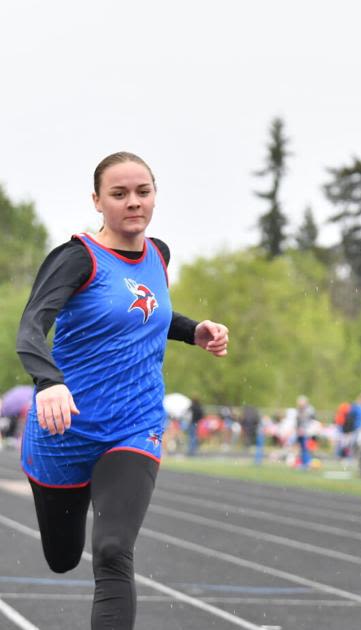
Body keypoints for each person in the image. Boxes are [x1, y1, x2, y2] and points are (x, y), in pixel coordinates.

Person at [14, 152, 229, 629]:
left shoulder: (160, 254)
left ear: (154, 195)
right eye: (119, 194)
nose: (134, 203)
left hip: (134, 426)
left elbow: (146, 311)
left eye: (143, 192)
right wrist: (49, 383)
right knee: (63, 557)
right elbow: (31, 327)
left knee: (112, 552)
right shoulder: (76, 258)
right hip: (63, 428)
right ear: (97, 201)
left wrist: (194, 330)